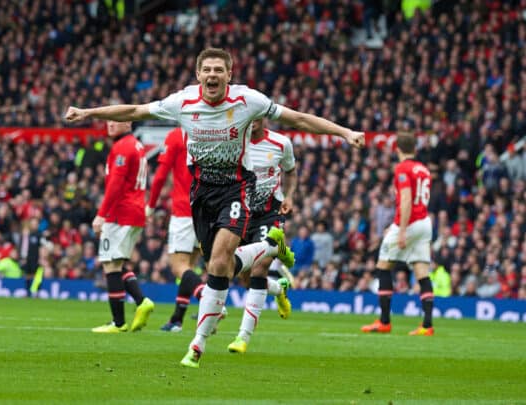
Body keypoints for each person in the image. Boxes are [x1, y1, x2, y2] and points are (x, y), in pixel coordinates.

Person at [65, 47, 364, 367]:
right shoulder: (182, 102)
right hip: (201, 194)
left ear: (229, 75)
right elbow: (135, 111)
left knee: (221, 260)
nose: (212, 75)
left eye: (218, 70)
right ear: (198, 75)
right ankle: (265, 250)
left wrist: (344, 132)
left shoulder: (248, 100)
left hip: (237, 189)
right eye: (206, 70)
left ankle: (197, 344)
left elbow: (299, 118)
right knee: (217, 268)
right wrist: (87, 113)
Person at [227, 118, 297, 354]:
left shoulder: (280, 143)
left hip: (270, 213)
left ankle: (242, 337)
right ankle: (279, 288)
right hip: (243, 214)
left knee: (260, 268)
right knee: (245, 279)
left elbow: (291, 172)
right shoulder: (235, 143)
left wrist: (289, 196)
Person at [361, 132, 435, 336]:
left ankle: (384, 321)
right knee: (422, 271)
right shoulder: (424, 169)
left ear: (397, 149)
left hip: (409, 222)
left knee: (383, 266)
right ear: (415, 148)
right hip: (424, 223)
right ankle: (427, 326)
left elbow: (406, 200)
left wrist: (401, 230)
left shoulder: (402, 168)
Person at [90, 120, 155, 333]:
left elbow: (115, 185)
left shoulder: (123, 147)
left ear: (127, 122)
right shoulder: (135, 145)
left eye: (116, 120)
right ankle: (141, 301)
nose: (110, 124)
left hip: (121, 213)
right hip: (136, 210)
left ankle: (118, 323)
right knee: (117, 263)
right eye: (108, 120)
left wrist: (101, 215)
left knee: (110, 265)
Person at [147, 127, 205, 332]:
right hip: (207, 210)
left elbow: (161, 175)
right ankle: (177, 319)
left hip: (184, 210)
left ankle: (207, 298)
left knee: (177, 266)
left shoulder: (176, 135)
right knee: (189, 266)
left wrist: (151, 204)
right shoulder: (210, 132)